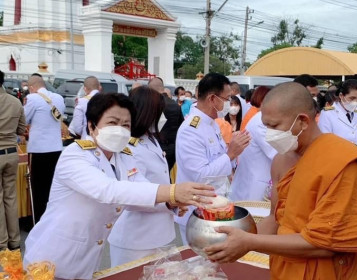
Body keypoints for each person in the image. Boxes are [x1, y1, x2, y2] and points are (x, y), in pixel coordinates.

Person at [23, 93, 215, 280]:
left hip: (86, 261)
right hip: (51, 259)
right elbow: (108, 190)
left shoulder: (123, 155)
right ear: (92, 126)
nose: (120, 130)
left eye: (126, 125)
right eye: (112, 123)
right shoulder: (75, 155)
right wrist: (172, 191)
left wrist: (169, 202)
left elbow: (137, 188)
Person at [205, 82, 357, 280]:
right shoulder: (281, 160)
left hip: (331, 271)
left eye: (274, 126)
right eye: (266, 126)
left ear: (303, 121)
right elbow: (275, 218)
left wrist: (250, 243)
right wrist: (231, 240)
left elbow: (326, 244)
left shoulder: (343, 162)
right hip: (287, 269)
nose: (270, 134)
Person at [175, 73, 251, 244]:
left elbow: (219, 159)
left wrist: (234, 151)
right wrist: (231, 153)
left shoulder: (211, 123)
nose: (229, 104)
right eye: (227, 99)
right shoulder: (191, 129)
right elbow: (200, 175)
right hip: (198, 211)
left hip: (216, 205)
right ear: (212, 99)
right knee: (200, 264)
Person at [108, 86, 177, 265]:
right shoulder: (128, 147)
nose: (163, 118)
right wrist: (171, 200)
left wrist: (172, 202)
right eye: (159, 112)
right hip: (137, 238)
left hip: (158, 232)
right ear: (147, 113)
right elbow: (133, 194)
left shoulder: (150, 138)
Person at [24, 75, 65, 223]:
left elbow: (24, 119)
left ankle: (38, 222)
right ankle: (53, 220)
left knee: (38, 188)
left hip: (38, 150)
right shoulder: (58, 98)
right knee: (53, 187)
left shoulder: (33, 99)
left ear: (31, 87)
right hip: (56, 148)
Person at [229, 88, 276, 201]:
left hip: (254, 183)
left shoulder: (261, 117)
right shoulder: (261, 121)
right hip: (255, 188)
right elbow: (277, 153)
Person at [0, 70, 26, 251]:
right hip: (11, 154)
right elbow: (21, 130)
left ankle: (1, 243)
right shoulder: (15, 102)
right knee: (10, 197)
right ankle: (14, 241)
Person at [148, 77, 184, 172]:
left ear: (150, 89)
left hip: (155, 146)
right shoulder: (175, 105)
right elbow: (181, 126)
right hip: (173, 147)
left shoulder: (151, 104)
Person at [318, 79, 357, 147]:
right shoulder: (328, 114)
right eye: (352, 98)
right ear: (341, 96)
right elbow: (324, 142)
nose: (355, 102)